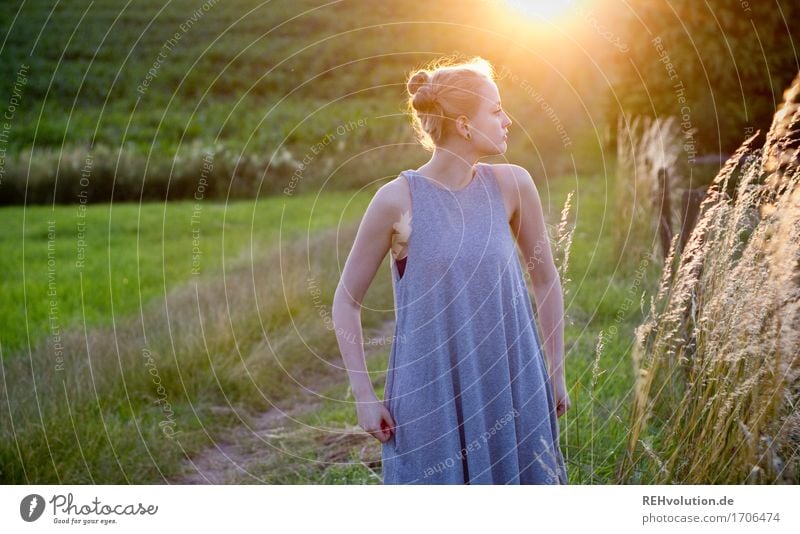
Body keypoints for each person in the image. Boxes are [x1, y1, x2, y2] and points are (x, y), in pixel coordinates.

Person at [332, 56, 570, 484]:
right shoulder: (397, 201)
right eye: (496, 111)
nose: (507, 120)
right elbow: (345, 302)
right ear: (463, 124)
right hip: (431, 395)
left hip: (512, 384)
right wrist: (364, 398)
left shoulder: (513, 185)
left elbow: (546, 278)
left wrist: (554, 373)